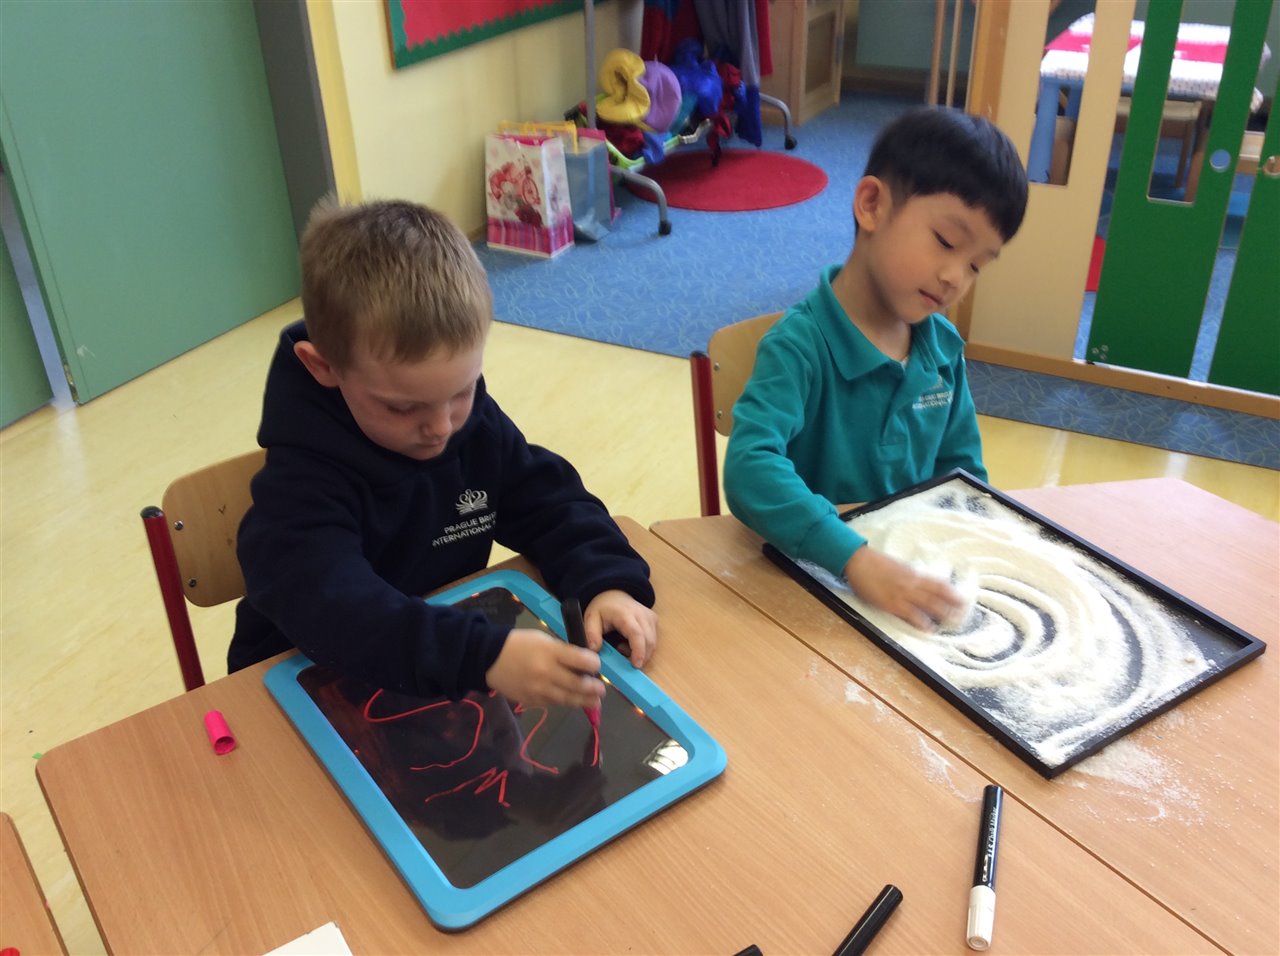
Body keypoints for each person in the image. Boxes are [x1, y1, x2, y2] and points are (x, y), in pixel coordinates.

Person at [231, 198, 657, 709]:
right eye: (403, 406)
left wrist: (606, 581)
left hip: (433, 671)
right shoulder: (299, 484)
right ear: (323, 367)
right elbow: (338, 609)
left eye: (462, 391)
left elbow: (550, 502)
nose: (441, 428)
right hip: (302, 683)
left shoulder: (471, 428)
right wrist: (479, 655)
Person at [723, 106, 1028, 631]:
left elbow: (963, 479)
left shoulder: (942, 352)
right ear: (871, 205)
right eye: (947, 242)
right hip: (808, 587)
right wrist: (856, 560)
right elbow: (750, 467)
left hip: (903, 592)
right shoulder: (800, 345)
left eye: (977, 265)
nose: (955, 277)